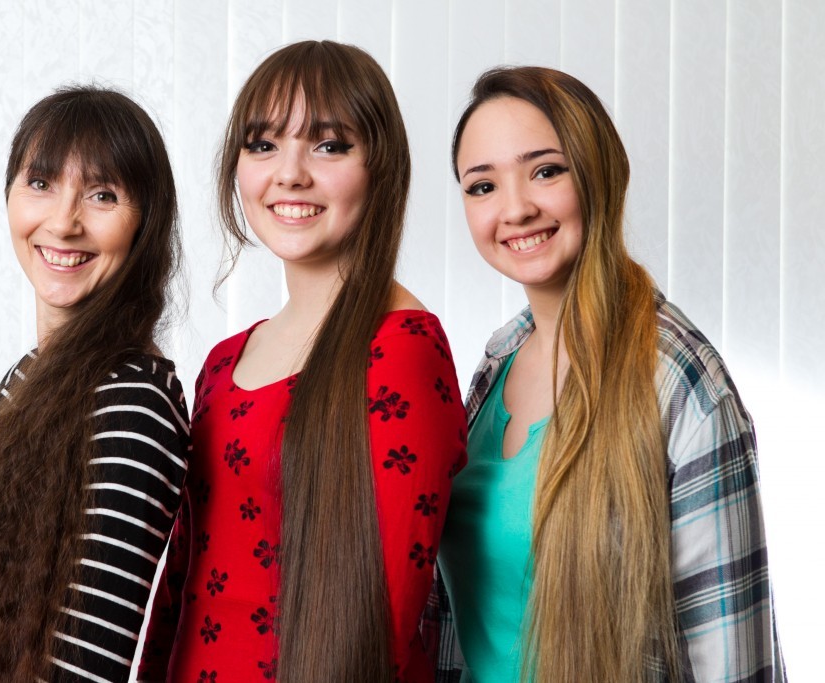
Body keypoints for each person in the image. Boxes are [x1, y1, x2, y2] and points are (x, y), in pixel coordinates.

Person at [423, 66, 786, 682]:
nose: (515, 208)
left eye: (546, 170)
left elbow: (734, 661)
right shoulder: (494, 363)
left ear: (601, 173)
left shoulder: (679, 382)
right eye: (482, 186)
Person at [140, 41, 467, 683]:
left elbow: (386, 620)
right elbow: (177, 595)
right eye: (263, 145)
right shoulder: (222, 361)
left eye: (328, 145)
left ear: (381, 166)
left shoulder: (402, 348)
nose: (289, 173)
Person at [0, 86, 190, 682]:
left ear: (144, 223)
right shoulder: (31, 377)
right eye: (41, 183)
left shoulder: (135, 403)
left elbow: (83, 664)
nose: (63, 221)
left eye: (103, 195)